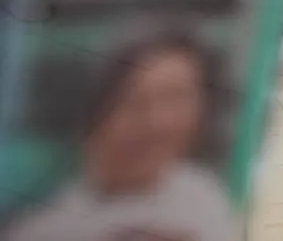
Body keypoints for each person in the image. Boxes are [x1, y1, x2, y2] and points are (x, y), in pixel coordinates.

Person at [5, 30, 237, 241]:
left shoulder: (202, 198)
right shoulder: (44, 226)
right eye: (135, 102)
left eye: (175, 98)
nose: (157, 122)